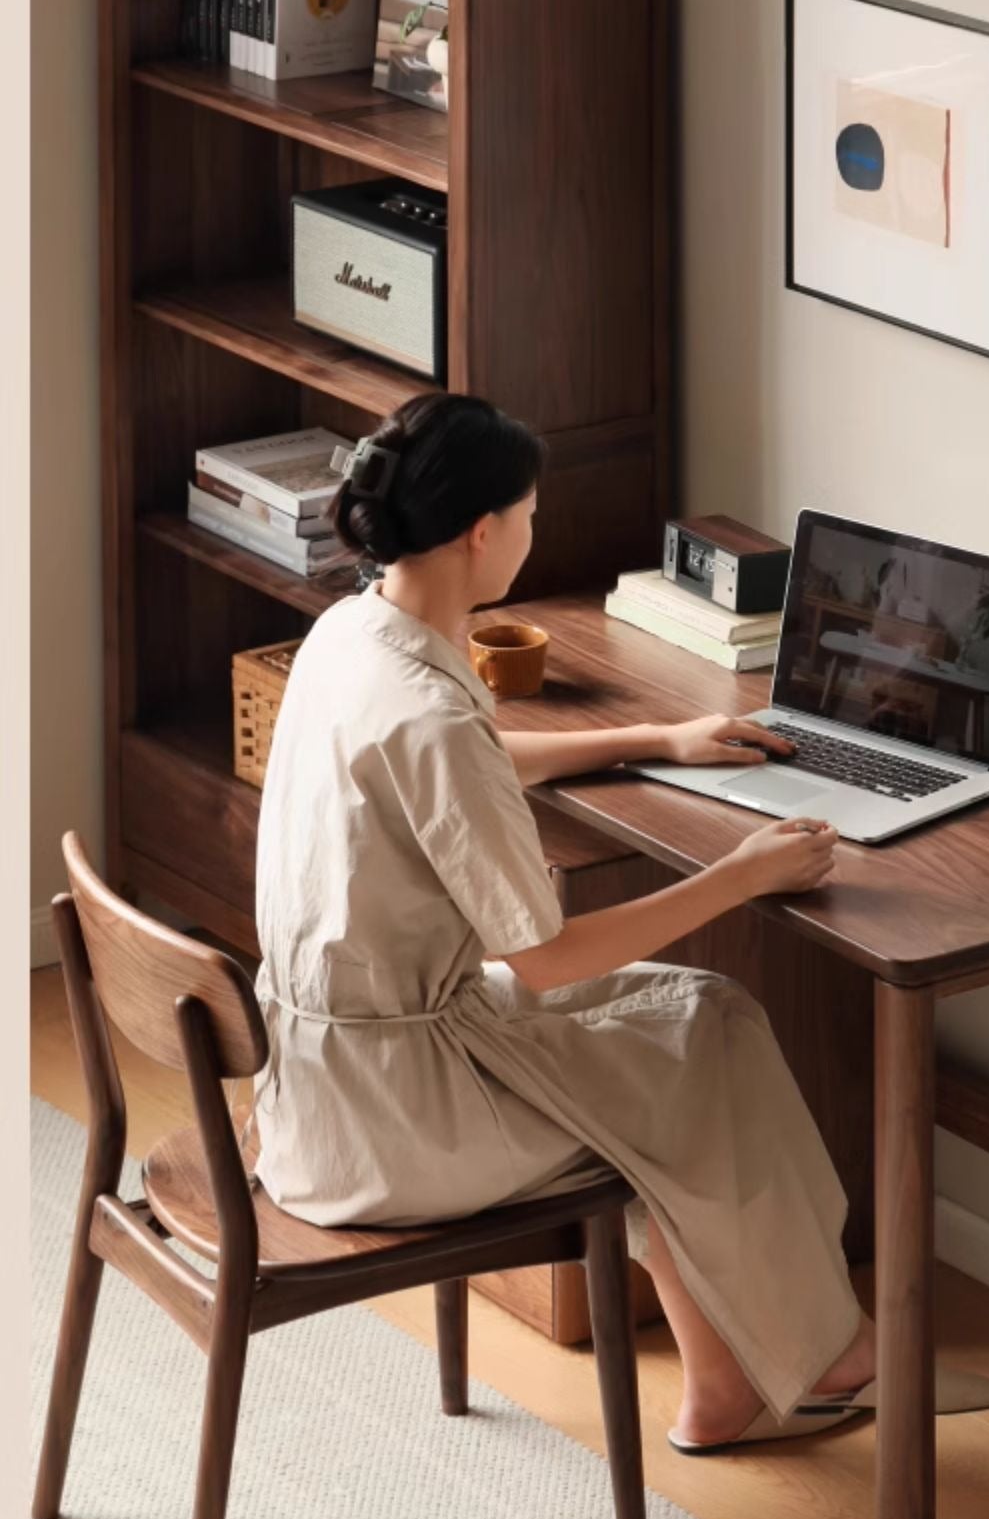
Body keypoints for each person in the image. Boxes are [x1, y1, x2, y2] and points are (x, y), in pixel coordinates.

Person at [250, 391, 878, 1453]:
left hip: (318, 1086)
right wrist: (741, 875)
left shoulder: (349, 633)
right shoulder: (432, 709)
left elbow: (462, 763)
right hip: (397, 1123)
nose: (536, 534)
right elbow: (542, 960)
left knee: (692, 1031)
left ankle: (735, 1377)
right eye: (532, 515)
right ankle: (812, 1351)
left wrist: (656, 739)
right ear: (481, 530)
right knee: (699, 1039)